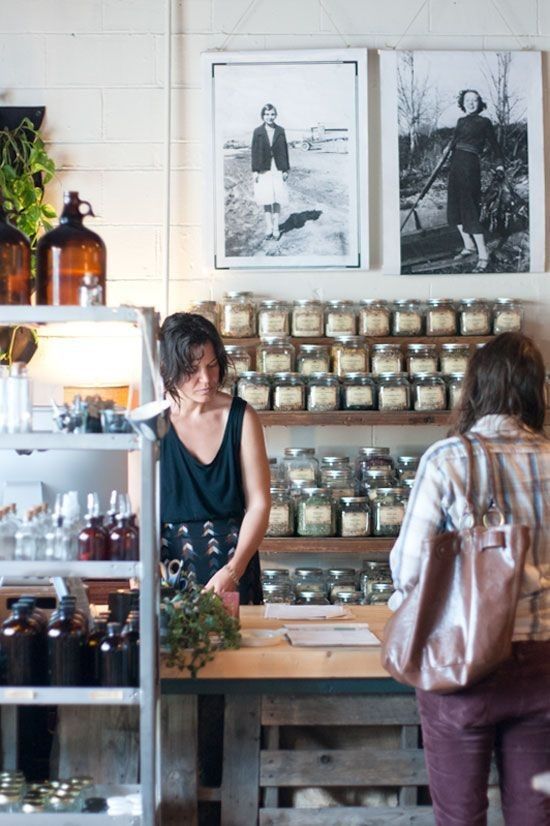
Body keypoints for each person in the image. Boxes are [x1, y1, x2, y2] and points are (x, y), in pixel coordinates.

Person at [389, 332, 550, 826]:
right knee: (535, 816)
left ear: (475, 388)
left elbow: (409, 569)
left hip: (462, 659)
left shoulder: (447, 460)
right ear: (534, 392)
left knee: (460, 816)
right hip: (544, 661)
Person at [159, 312, 270, 604]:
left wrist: (233, 571)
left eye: (212, 365)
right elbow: (137, 511)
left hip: (233, 567)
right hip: (168, 568)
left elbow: (259, 503)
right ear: (168, 368)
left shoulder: (242, 417)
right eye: (192, 370)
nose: (206, 379)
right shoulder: (151, 422)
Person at [447, 89, 504, 272]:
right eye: (467, 100)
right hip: (455, 166)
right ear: (462, 103)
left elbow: (495, 146)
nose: (471, 103)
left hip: (470, 167)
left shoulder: (484, 122)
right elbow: (455, 142)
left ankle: (483, 254)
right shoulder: (460, 121)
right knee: (454, 208)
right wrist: (447, 148)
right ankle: (468, 245)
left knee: (470, 207)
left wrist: (499, 165)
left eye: (475, 100)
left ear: (480, 103)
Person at [251, 103, 290, 241]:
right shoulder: (257, 132)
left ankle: (276, 228)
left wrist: (285, 169)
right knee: (266, 197)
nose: (270, 117)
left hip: (277, 167)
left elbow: (285, 151)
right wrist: (255, 170)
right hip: (264, 168)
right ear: (263, 116)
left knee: (277, 197)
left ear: (276, 115)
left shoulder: (281, 130)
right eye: (267, 114)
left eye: (272, 114)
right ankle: (268, 227)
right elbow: (254, 152)